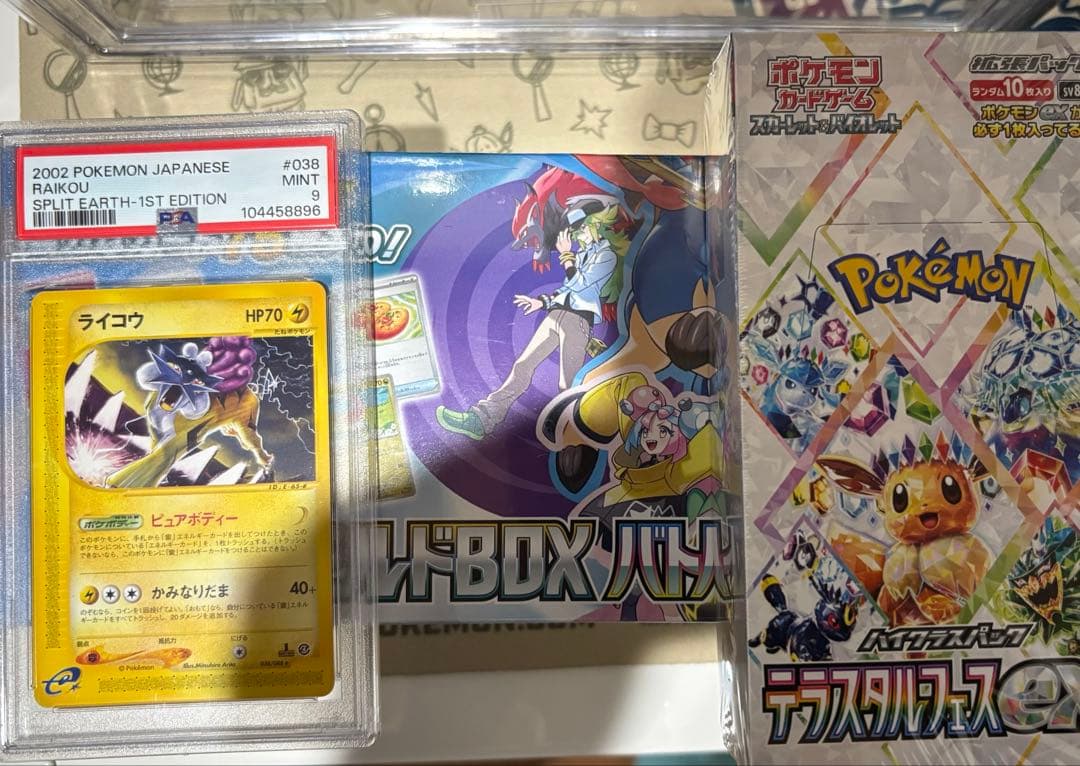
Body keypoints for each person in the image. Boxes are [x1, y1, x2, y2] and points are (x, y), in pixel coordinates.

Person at [436, 204, 619, 440]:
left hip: (577, 321)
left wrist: (566, 256)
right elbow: (567, 292)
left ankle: (573, 436)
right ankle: (482, 419)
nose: (575, 236)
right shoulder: (583, 255)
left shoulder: (607, 256)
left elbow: (580, 283)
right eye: (574, 231)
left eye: (580, 229)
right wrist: (540, 302)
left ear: (596, 226)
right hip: (557, 315)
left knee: (567, 384)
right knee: (522, 366)